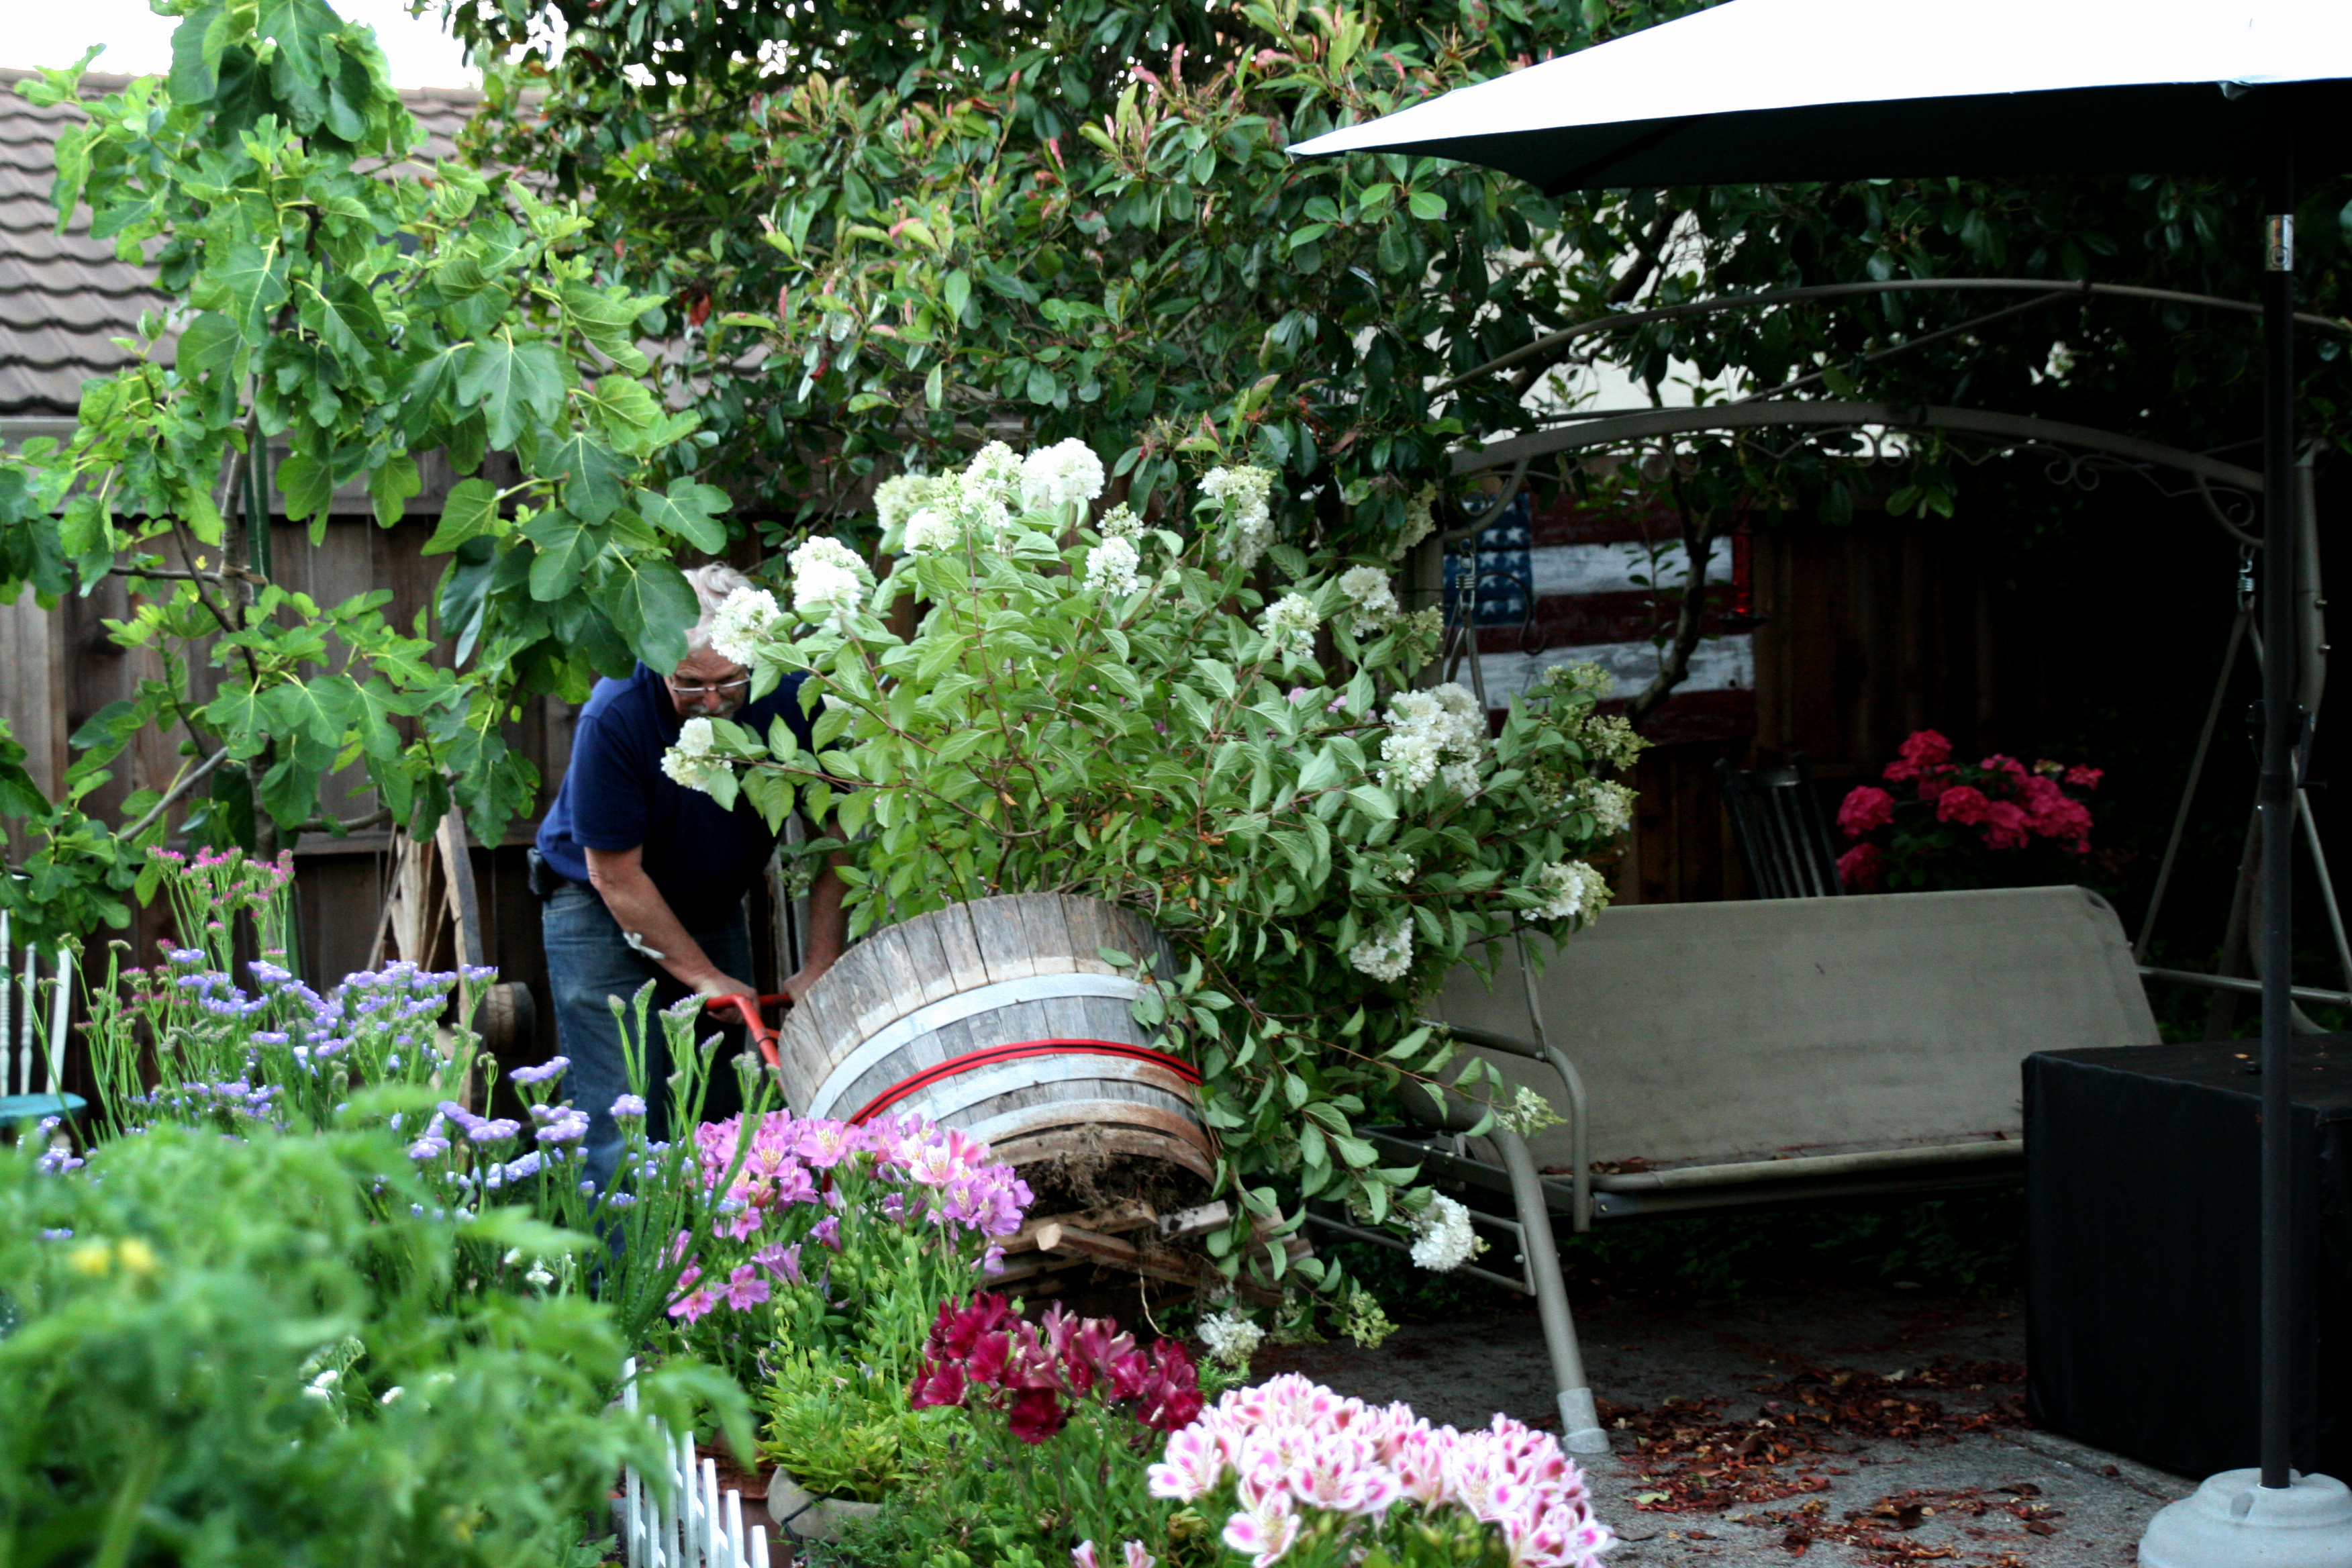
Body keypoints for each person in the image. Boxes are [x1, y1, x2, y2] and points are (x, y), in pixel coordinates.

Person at [532, 563, 847, 1189]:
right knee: (621, 1117)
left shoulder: (792, 696)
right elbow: (615, 877)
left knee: (725, 1115)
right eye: (688, 684)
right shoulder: (616, 714)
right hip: (598, 908)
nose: (709, 701)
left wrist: (820, 964)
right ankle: (622, 1283)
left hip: (708, 905)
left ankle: (721, 1274)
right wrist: (702, 976)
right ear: (656, 656)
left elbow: (836, 837)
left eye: (728, 681)